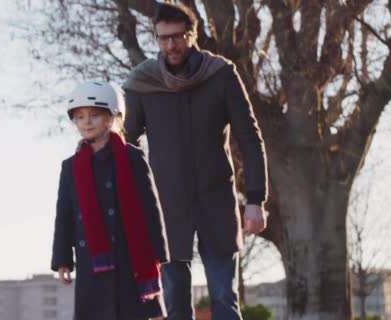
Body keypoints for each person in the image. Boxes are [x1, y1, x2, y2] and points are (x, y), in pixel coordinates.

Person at [122, 3, 269, 320]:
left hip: (215, 201)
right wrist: (129, 199)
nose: (170, 46)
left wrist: (256, 199)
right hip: (165, 207)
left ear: (192, 35)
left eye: (177, 37)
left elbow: (249, 136)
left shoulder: (220, 74)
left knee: (224, 299)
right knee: (173, 304)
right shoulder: (143, 82)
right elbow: (125, 144)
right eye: (163, 39)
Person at [51, 81, 170, 320]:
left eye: (94, 115)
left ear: (112, 117)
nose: (86, 122)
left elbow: (150, 206)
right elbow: (64, 216)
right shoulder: (70, 167)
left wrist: (158, 251)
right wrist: (63, 259)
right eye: (80, 116)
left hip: (129, 259)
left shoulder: (132, 157)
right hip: (92, 263)